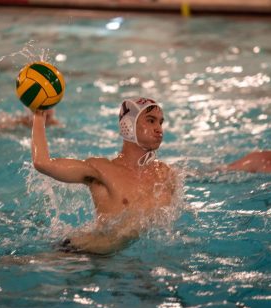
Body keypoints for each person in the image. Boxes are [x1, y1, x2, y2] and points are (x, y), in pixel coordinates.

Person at [31, 97, 177, 254]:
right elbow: (42, 163)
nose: (159, 129)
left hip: (130, 263)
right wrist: (39, 114)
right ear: (128, 125)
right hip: (81, 254)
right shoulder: (102, 170)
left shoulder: (166, 175)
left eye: (160, 122)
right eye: (150, 121)